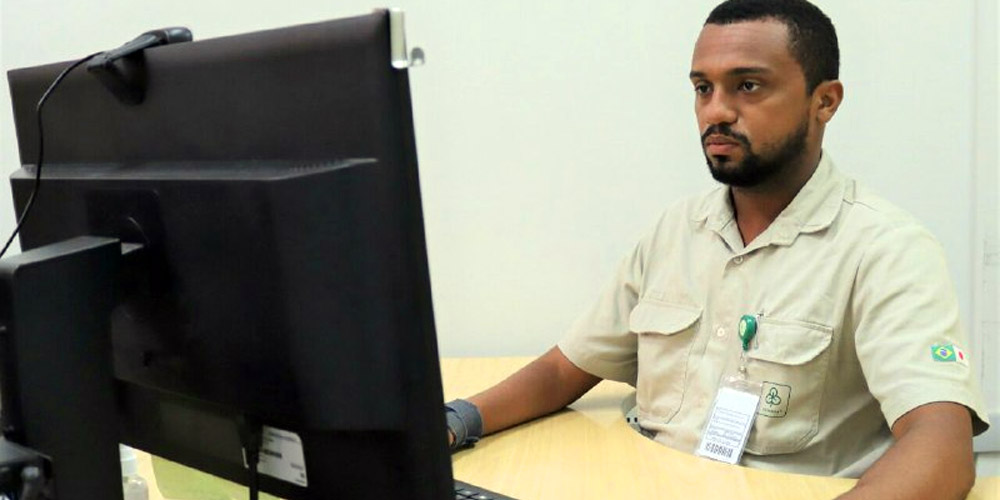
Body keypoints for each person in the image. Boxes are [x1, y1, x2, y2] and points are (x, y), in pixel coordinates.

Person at [444, 0, 991, 498]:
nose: (716, 112)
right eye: (703, 88)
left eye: (747, 86)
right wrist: (453, 422)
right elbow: (566, 369)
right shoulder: (677, 230)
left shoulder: (886, 249)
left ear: (824, 101)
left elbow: (942, 447)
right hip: (644, 480)